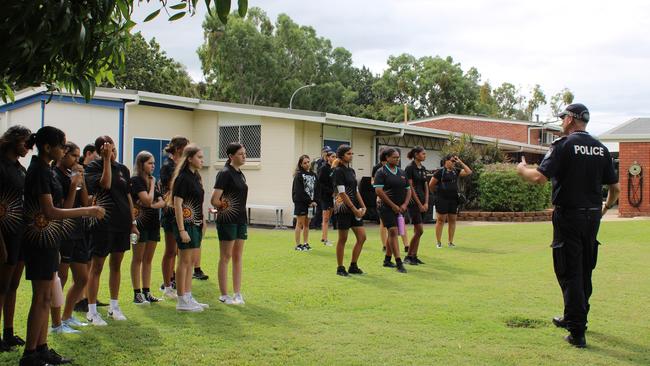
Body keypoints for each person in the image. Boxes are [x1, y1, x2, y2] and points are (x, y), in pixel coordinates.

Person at [517, 103, 620, 348]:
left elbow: (539, 177)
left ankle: (577, 330)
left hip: (569, 216)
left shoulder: (563, 146)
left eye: (563, 117)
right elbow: (614, 189)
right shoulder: (601, 149)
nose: (562, 121)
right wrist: (605, 208)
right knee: (584, 268)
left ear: (571, 120)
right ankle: (574, 315)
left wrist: (521, 169)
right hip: (593, 216)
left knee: (568, 269)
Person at [20, 126, 104, 366]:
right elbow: (49, 211)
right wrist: (88, 210)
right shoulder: (38, 171)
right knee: (41, 297)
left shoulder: (47, 171)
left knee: (47, 296)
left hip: (51, 238)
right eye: (61, 146)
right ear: (48, 147)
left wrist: (74, 186)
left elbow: (64, 209)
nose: (64, 150)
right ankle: (30, 354)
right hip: (39, 240)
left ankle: (42, 347)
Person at [84, 136, 139, 325]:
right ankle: (91, 310)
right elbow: (105, 184)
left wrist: (133, 222)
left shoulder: (123, 169)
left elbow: (128, 196)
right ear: (101, 151)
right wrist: (106, 160)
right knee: (97, 266)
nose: (113, 153)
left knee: (116, 265)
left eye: (114, 149)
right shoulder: (93, 168)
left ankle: (114, 307)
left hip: (122, 224)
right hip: (103, 224)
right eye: (109, 150)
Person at [51, 142, 92, 334]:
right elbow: (64, 209)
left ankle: (67, 316)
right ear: (63, 155)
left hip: (78, 231)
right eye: (74, 156)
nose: (78, 160)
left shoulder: (73, 175)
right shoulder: (56, 176)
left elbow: (84, 202)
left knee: (82, 278)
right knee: (61, 277)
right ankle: (56, 323)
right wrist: (73, 185)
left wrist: (80, 182)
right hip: (63, 232)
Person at [0, 126, 31, 352]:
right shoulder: (1, 166)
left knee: (13, 285)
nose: (28, 147)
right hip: (5, 233)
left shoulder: (20, 168)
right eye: (26, 142)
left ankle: (8, 332)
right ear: (15, 140)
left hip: (20, 233)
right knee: (1, 286)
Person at [169, 144, 208, 312]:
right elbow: (177, 204)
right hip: (186, 224)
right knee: (184, 261)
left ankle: (188, 295)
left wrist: (203, 220)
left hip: (196, 223)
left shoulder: (195, 176)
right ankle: (181, 299)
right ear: (189, 158)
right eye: (199, 157)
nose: (202, 160)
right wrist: (182, 229)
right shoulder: (182, 178)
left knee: (191, 261)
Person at [211, 143, 249, 305]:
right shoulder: (225, 173)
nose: (244, 156)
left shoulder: (240, 173)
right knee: (225, 256)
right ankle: (224, 294)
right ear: (231, 156)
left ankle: (237, 293)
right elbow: (214, 199)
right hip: (227, 220)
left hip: (241, 219)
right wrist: (224, 207)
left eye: (244, 153)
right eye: (240, 154)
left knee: (238, 256)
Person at [130, 151, 165, 305]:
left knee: (148, 259)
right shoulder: (136, 180)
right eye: (150, 163)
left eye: (154, 163)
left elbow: (162, 201)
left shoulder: (151, 181)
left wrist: (151, 203)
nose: (153, 166)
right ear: (141, 164)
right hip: (138, 224)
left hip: (153, 223)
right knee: (137, 258)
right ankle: (137, 294)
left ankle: (147, 291)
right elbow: (147, 199)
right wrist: (152, 187)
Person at [159, 136, 190, 300]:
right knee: (170, 250)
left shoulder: (184, 167)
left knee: (181, 251)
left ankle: (179, 284)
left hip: (184, 213)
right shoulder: (167, 167)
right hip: (171, 213)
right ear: (179, 149)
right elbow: (169, 189)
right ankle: (167, 285)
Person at [374, 148, 411, 274]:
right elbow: (379, 191)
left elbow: (408, 189)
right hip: (385, 208)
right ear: (387, 158)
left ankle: (387, 260)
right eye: (394, 157)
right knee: (393, 231)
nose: (397, 159)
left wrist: (405, 204)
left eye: (398, 157)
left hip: (400, 208)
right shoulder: (381, 172)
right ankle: (399, 262)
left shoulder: (402, 172)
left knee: (392, 233)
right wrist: (392, 205)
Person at [332, 145, 367, 277]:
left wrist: (363, 206)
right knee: (343, 239)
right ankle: (340, 267)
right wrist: (354, 209)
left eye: (352, 153)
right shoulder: (338, 171)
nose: (351, 155)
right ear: (341, 156)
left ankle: (353, 265)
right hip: (344, 209)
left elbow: (356, 190)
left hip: (355, 209)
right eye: (348, 154)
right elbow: (342, 193)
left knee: (362, 237)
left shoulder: (351, 171)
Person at [428, 154, 472, 248]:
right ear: (446, 161)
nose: (453, 163)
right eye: (452, 161)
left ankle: (450, 242)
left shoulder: (456, 171)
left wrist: (460, 161)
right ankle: (438, 242)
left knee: (452, 220)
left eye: (454, 161)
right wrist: (437, 194)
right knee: (441, 220)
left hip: (453, 199)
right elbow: (431, 185)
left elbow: (468, 172)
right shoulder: (440, 172)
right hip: (442, 199)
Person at [404, 146, 429, 265]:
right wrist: (419, 203)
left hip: (423, 202)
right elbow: (410, 188)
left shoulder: (423, 168)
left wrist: (426, 202)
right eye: (423, 154)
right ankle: (408, 256)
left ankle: (414, 255)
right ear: (416, 154)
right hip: (413, 203)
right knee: (420, 230)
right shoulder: (409, 168)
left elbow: (426, 187)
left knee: (417, 231)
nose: (425, 155)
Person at [292, 155, 319, 251]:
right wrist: (309, 201)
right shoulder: (299, 175)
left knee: (307, 224)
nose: (307, 164)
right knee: (299, 223)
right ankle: (298, 245)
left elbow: (316, 189)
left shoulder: (314, 175)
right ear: (301, 164)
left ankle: (306, 243)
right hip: (301, 203)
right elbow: (299, 191)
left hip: (311, 204)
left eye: (308, 162)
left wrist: (315, 201)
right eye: (305, 163)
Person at [309, 146, 332, 230]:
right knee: (318, 207)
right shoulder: (317, 162)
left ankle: (317, 224)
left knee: (322, 207)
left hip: (326, 189)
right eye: (326, 152)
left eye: (328, 152)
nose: (327, 153)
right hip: (317, 187)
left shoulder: (330, 163)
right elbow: (314, 174)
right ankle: (314, 224)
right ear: (322, 152)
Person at [318, 151, 336, 246]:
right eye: (333, 156)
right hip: (325, 196)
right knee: (325, 218)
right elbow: (320, 183)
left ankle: (324, 237)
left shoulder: (334, 168)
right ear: (328, 157)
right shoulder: (324, 168)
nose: (334, 158)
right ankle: (325, 240)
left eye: (335, 156)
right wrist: (330, 192)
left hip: (332, 196)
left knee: (328, 218)